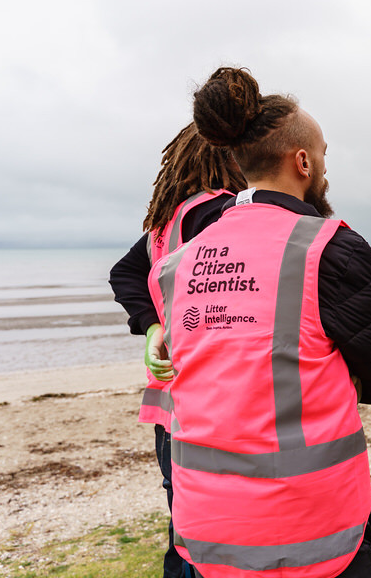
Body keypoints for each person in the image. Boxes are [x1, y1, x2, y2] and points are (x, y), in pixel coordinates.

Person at [147, 67, 371, 578]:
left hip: (202, 537)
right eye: (322, 157)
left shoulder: (176, 264)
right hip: (316, 538)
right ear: (302, 162)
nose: (324, 169)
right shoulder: (328, 248)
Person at [109, 122, 247, 578]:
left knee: (184, 529)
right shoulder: (222, 213)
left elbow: (124, 273)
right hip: (214, 407)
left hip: (170, 409)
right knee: (223, 536)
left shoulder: (163, 225)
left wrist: (152, 329)